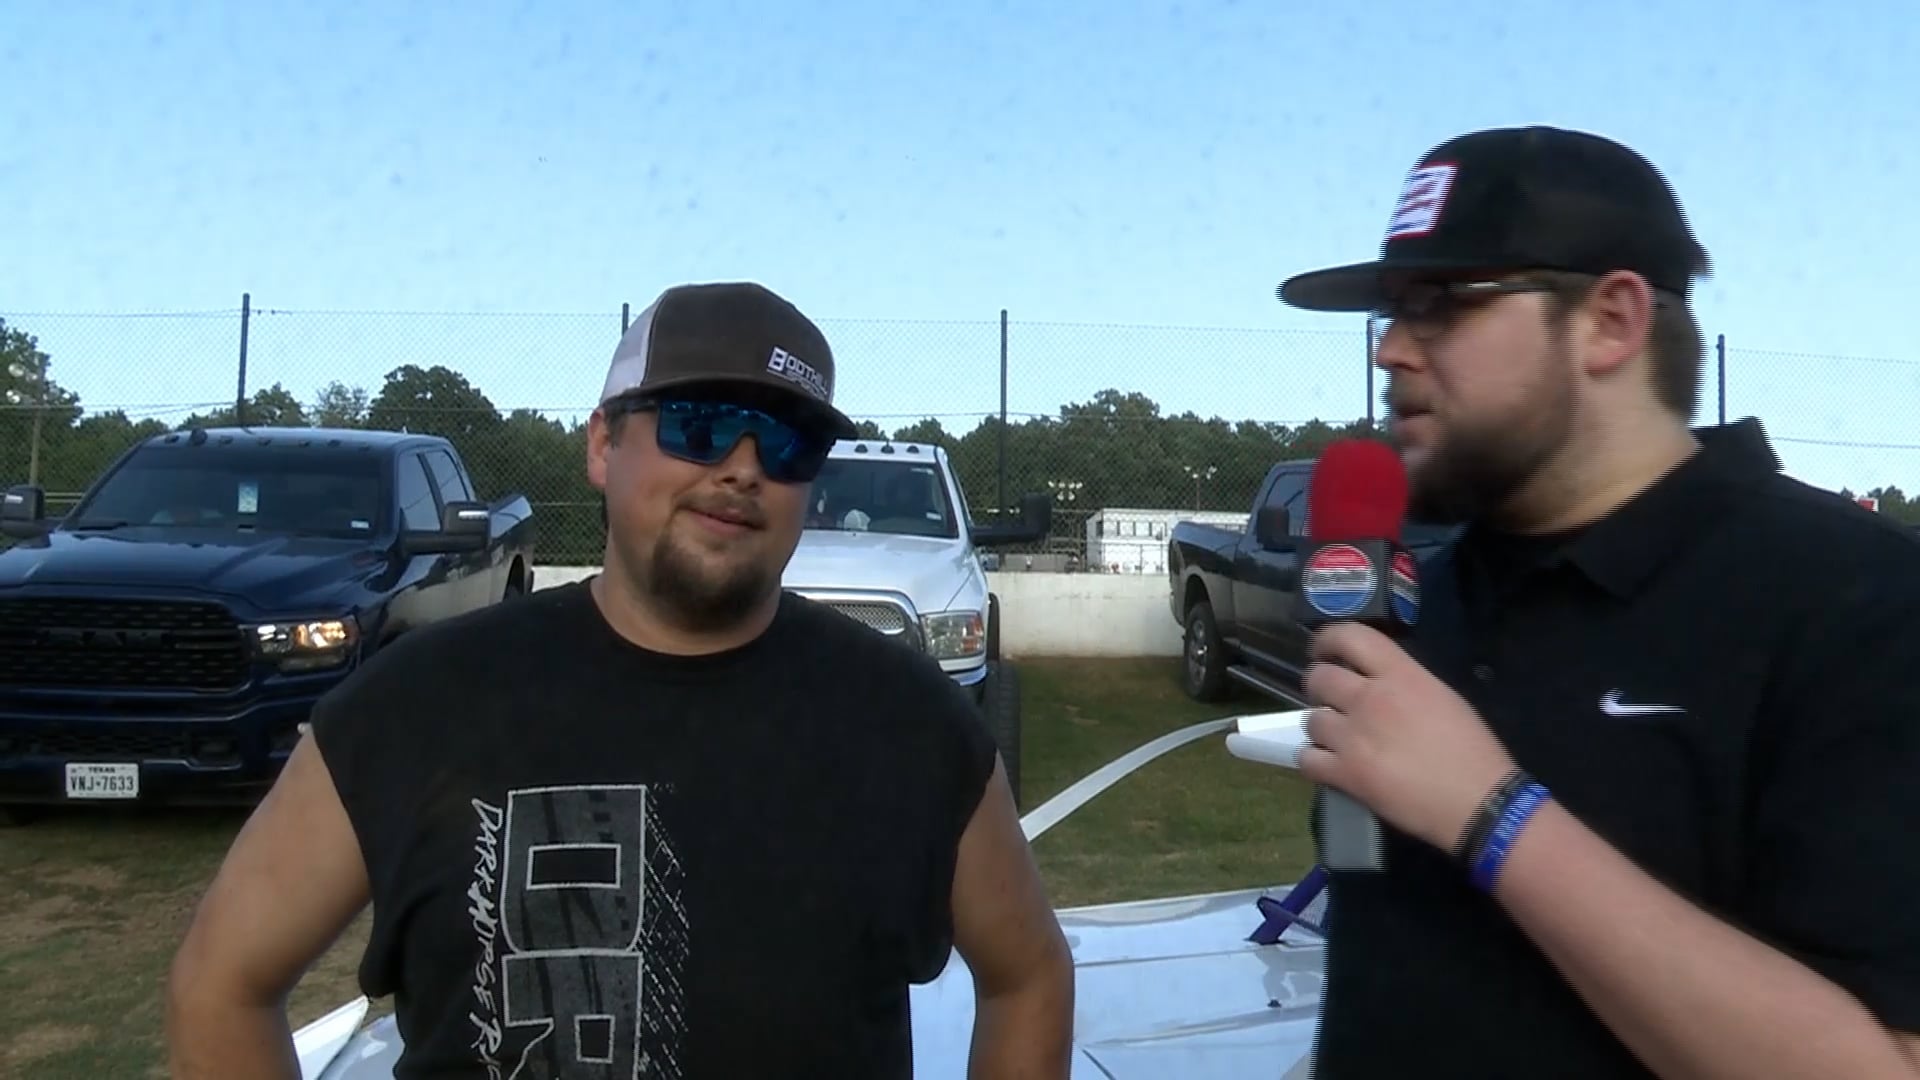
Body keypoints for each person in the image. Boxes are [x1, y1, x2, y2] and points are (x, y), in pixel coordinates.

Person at [165, 281, 1075, 1078]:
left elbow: (1029, 974)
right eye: (701, 425)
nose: (743, 468)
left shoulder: (909, 721)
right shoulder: (416, 704)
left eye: (786, 444)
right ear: (603, 445)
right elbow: (222, 982)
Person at [1272, 125, 1920, 1078]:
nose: (1392, 352)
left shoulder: (1856, 606)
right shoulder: (1418, 598)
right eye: (1389, 313)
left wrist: (1492, 814)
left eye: (1441, 306)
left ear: (1612, 321)